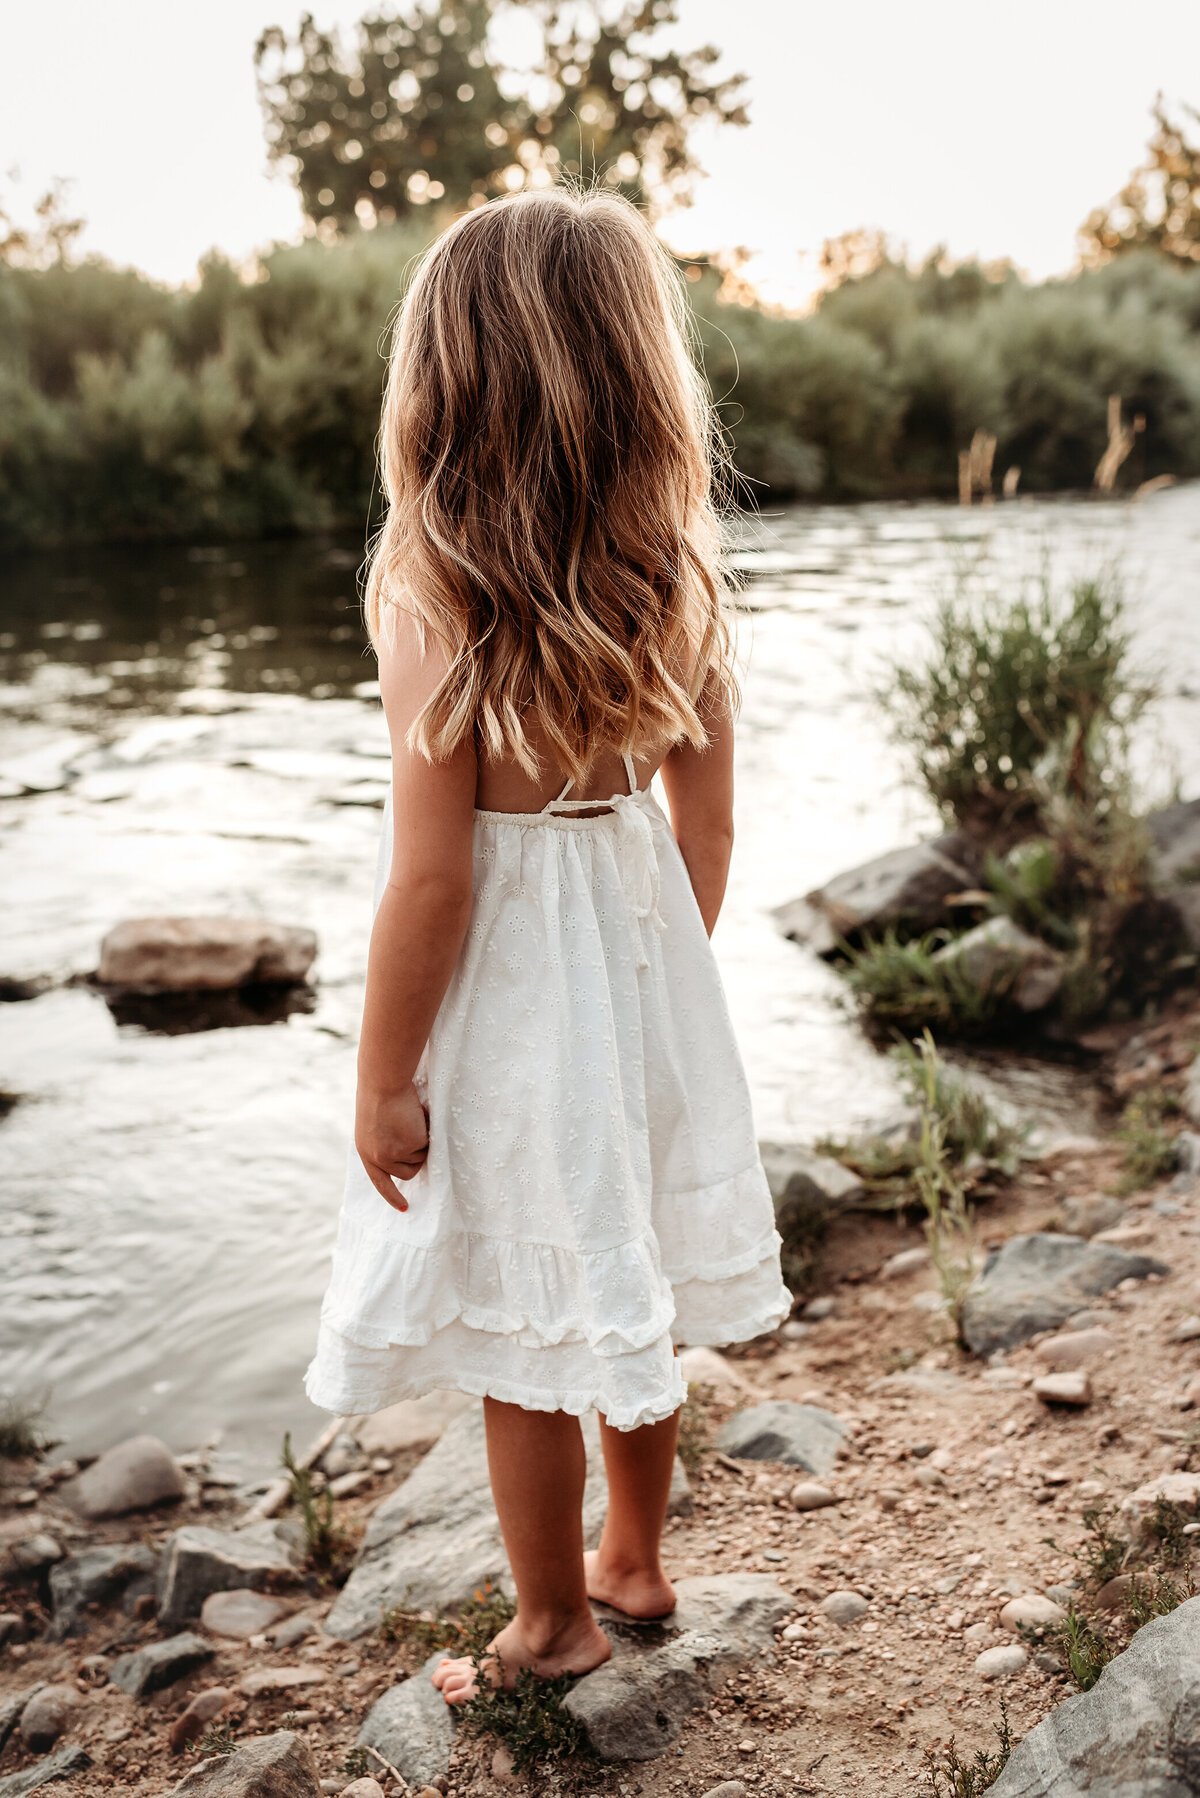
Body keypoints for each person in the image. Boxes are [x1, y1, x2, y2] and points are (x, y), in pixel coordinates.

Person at [305, 185, 789, 1703]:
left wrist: (383, 1074)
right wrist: (656, 987)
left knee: (527, 1313)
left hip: (510, 996)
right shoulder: (680, 573)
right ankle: (636, 1559)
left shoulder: (433, 586)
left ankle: (549, 1619)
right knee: (623, 1253)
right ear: (641, 380)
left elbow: (432, 882)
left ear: (445, 382)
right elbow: (705, 831)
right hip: (645, 964)